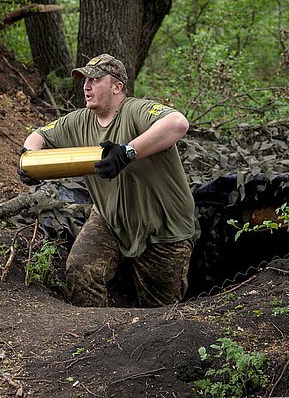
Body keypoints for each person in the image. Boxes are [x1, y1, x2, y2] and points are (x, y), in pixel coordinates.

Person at [18, 54, 195, 308]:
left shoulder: (136, 110)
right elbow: (38, 136)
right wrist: (29, 160)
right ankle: (96, 338)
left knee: (160, 313)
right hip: (110, 218)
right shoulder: (78, 121)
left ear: (117, 87)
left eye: (95, 80)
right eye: (84, 80)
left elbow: (178, 123)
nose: (86, 86)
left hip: (164, 227)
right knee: (81, 271)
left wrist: (127, 152)